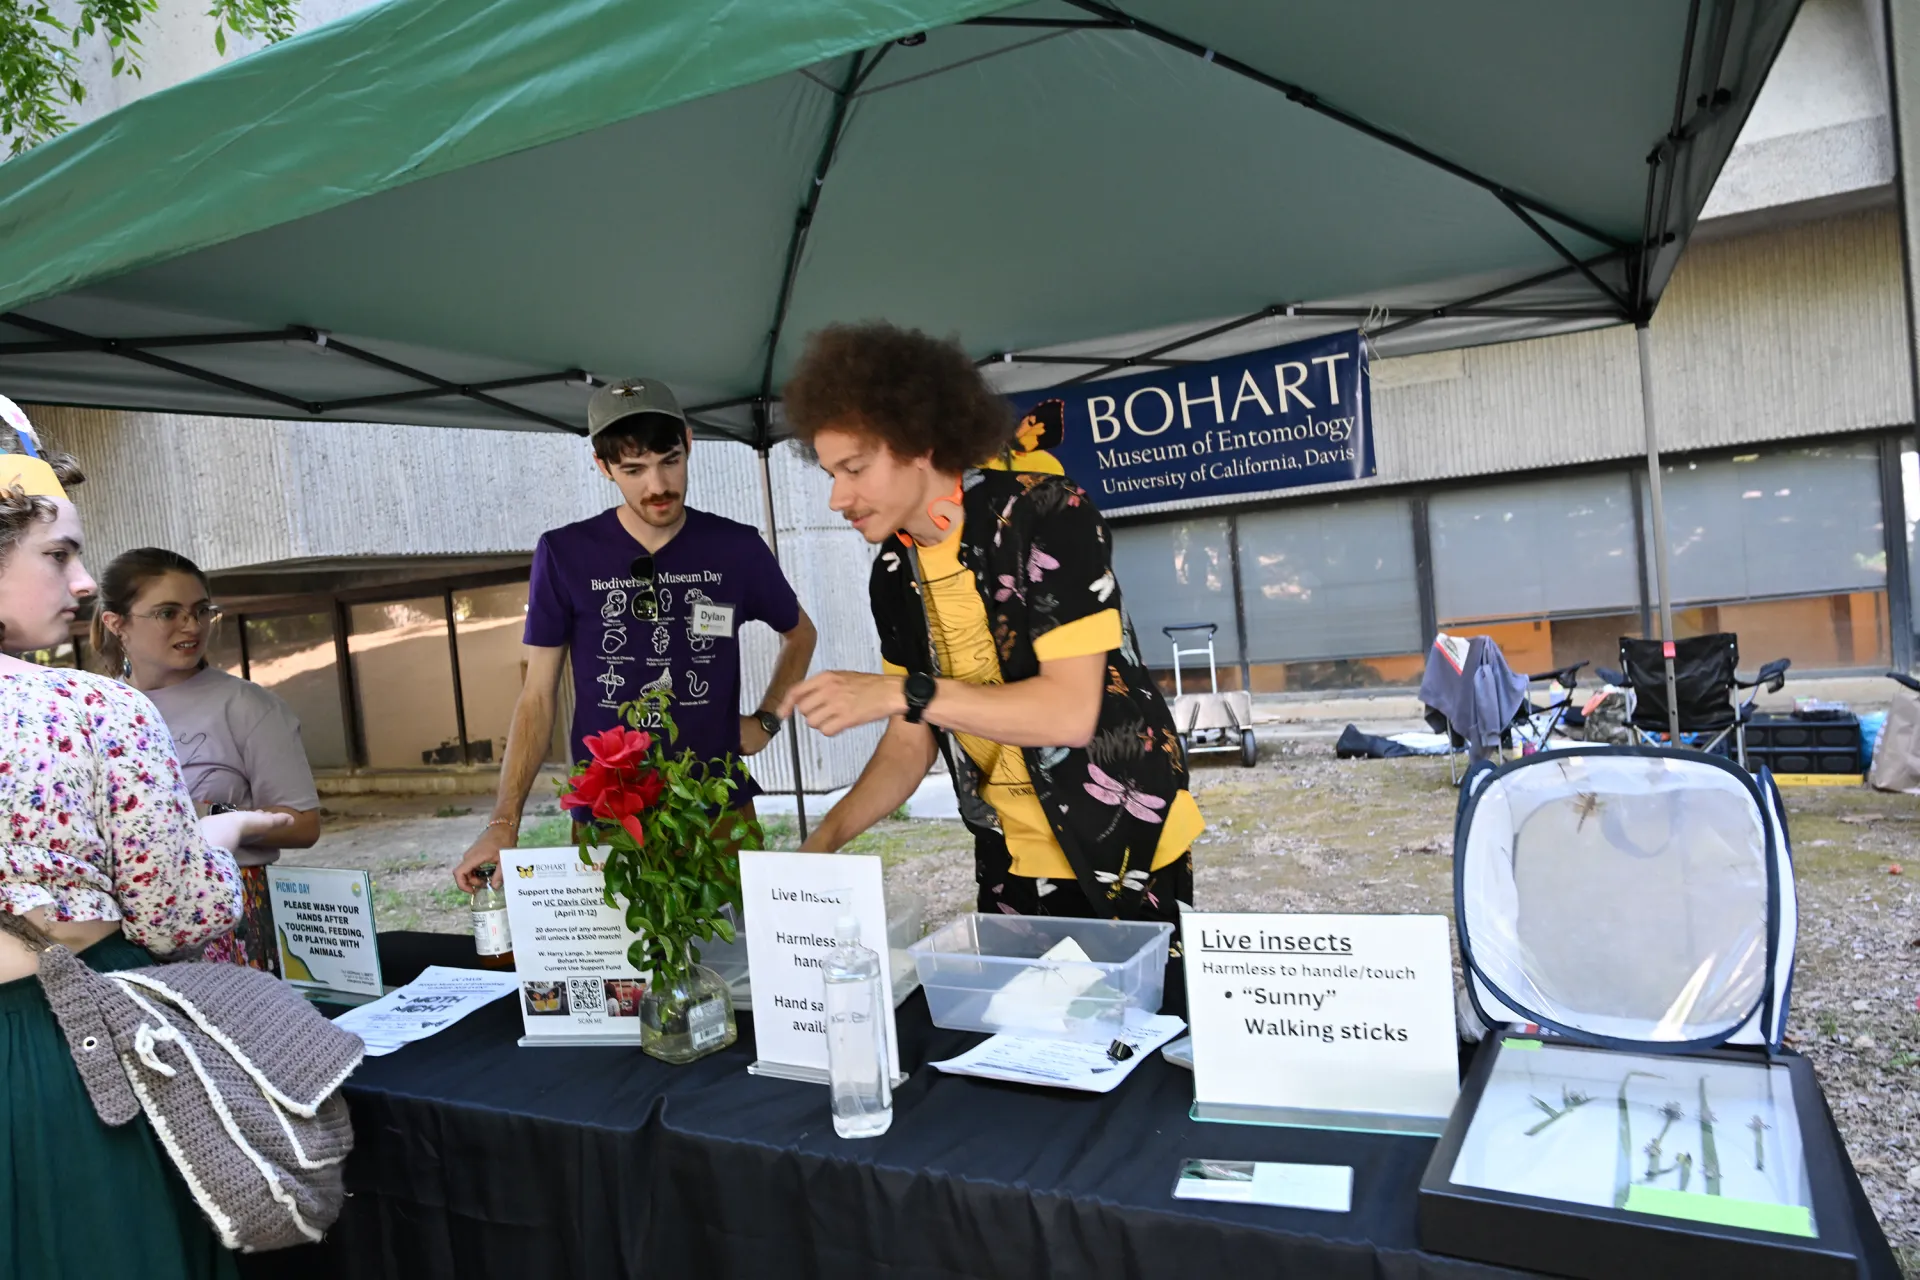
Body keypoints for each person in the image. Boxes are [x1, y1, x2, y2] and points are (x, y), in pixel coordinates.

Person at [778, 322, 1204, 946]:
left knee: (1134, 1009)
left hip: (1119, 843)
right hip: (1006, 852)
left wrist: (904, 692)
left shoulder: (1047, 513)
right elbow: (909, 743)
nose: (838, 498)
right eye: (830, 474)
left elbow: (1067, 714)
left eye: (856, 468)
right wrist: (820, 842)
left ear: (919, 441)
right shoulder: (893, 572)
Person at [0, 397, 290, 1279]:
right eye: (58, 554)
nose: (85, 582)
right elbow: (177, 914)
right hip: (64, 1056)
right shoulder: (92, 707)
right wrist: (223, 832)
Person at [454, 378, 816, 891]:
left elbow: (800, 633)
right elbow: (536, 696)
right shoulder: (564, 554)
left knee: (735, 937)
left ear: (688, 442)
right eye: (633, 470)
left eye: (670, 460)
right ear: (603, 467)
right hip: (609, 814)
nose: (658, 485)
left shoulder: (735, 547)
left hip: (716, 805)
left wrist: (768, 718)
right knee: (617, 945)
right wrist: (503, 821)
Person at [91, 547, 322, 972]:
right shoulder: (92, 708)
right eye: (168, 612)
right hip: (117, 925)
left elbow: (304, 824)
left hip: (226, 921)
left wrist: (210, 815)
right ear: (116, 623)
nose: (192, 625)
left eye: (201, 611)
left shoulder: (248, 706)